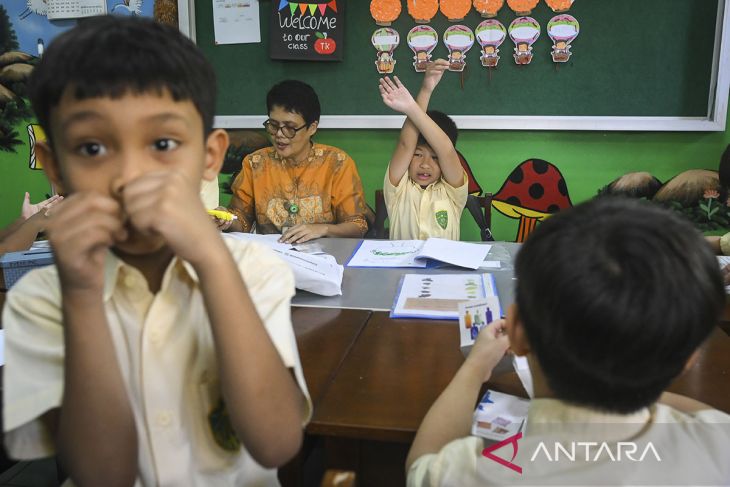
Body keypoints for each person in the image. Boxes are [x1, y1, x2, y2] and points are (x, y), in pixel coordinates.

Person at [2, 16, 310, 486]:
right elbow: (102, 474)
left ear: (209, 157)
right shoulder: (42, 298)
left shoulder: (252, 270)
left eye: (162, 143)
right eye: (91, 147)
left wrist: (213, 262)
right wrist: (82, 298)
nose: (130, 175)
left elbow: (276, 442)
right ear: (55, 169)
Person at [407, 197, 730, 486]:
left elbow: (422, 465)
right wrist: (635, 379)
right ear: (689, 358)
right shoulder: (719, 448)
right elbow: (711, 417)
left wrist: (475, 368)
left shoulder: (480, 473)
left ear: (517, 331)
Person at [218, 80, 369, 244]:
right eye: (274, 125)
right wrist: (227, 219)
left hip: (325, 258)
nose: (279, 135)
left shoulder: (337, 163)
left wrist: (323, 229)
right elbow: (242, 221)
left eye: (290, 128)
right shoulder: (255, 163)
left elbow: (357, 226)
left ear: (312, 127)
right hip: (272, 259)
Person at [379, 60, 468, 240]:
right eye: (418, 154)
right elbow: (406, 144)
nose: (425, 165)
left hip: (443, 268)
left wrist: (411, 107)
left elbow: (446, 149)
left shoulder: (452, 192)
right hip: (401, 268)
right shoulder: (398, 188)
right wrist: (425, 90)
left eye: (435, 158)